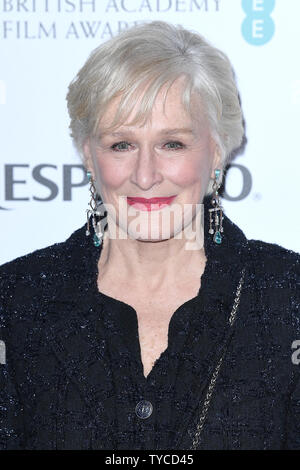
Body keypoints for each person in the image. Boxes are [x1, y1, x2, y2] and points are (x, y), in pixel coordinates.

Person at [0, 20, 299, 451]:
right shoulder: (15, 302)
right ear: (88, 155)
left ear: (217, 150)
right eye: (121, 144)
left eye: (172, 143)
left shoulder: (288, 297)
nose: (145, 175)